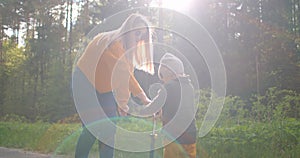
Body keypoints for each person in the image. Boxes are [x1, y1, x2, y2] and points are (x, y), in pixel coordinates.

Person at [72, 13, 154, 158]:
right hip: (84, 80)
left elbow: (127, 76)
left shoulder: (125, 51)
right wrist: (123, 104)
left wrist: (144, 98)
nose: (138, 39)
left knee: (109, 128)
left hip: (103, 87)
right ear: (128, 29)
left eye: (142, 36)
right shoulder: (114, 43)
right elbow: (122, 77)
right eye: (137, 33)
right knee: (92, 127)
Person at [141, 53, 197, 158]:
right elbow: (179, 107)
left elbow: (154, 106)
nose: (162, 80)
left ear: (168, 73)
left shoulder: (168, 87)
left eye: (162, 76)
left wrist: (141, 111)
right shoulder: (189, 86)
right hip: (191, 134)